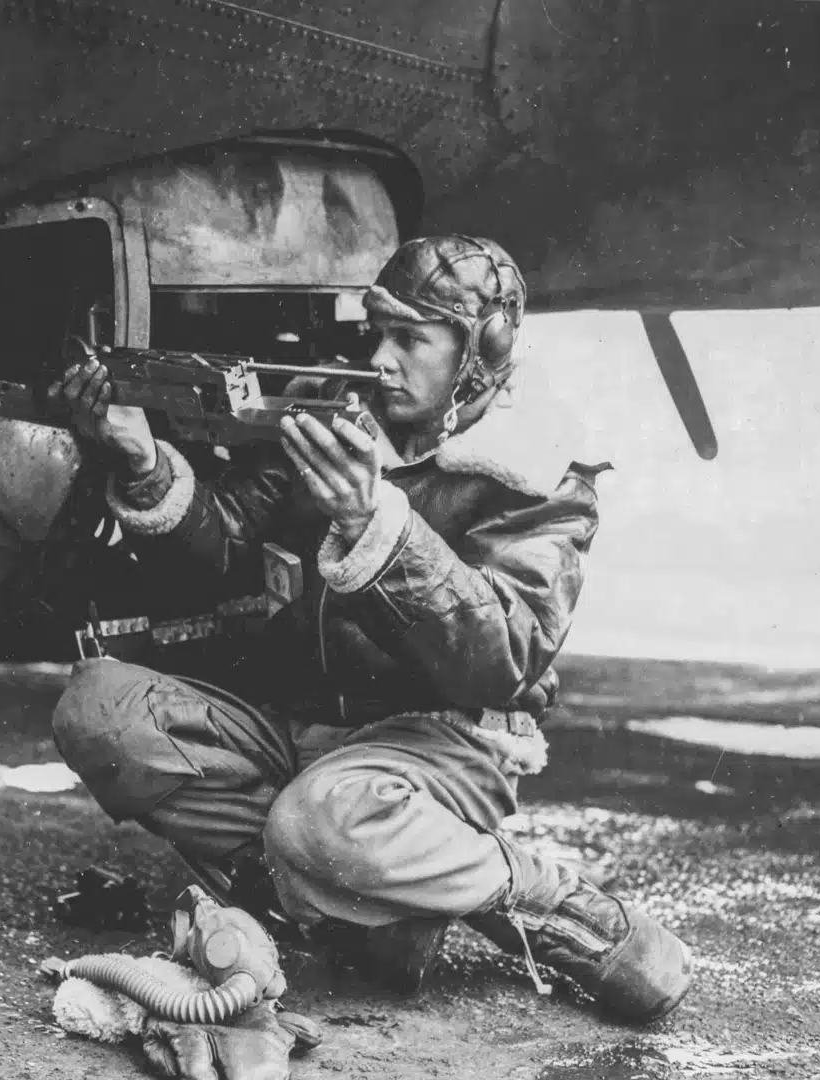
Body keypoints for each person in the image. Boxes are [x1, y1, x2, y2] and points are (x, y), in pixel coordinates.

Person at [47, 235, 694, 1024]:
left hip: (439, 741)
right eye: (378, 331)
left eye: (411, 339)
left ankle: (549, 904)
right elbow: (227, 543)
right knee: (100, 710)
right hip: (298, 726)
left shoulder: (544, 479)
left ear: (481, 351)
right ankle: (351, 909)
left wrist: (374, 522)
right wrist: (143, 459)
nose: (381, 360)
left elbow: (502, 658)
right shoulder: (347, 414)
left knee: (322, 818)